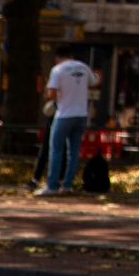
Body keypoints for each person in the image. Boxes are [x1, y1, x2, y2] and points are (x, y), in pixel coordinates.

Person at [36, 51, 97, 196]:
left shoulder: (57, 70)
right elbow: (93, 84)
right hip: (81, 114)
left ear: (57, 58)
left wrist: (47, 93)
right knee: (73, 151)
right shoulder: (83, 67)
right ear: (70, 56)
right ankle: (68, 185)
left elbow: (51, 94)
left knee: (56, 149)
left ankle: (52, 185)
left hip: (64, 114)